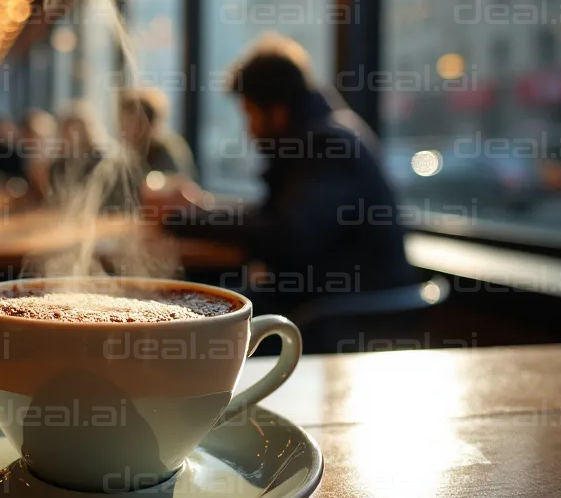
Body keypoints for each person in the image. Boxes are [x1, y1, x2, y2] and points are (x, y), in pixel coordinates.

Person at [143, 33, 418, 311]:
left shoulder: (329, 144)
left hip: (344, 313)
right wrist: (197, 211)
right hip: (334, 299)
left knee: (197, 308)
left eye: (250, 114)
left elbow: (287, 234)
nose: (249, 130)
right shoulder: (326, 134)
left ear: (277, 111)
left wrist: (179, 219)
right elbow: (275, 217)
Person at [119, 87, 197, 181]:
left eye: (133, 124)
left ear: (149, 124)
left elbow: (172, 184)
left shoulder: (163, 152)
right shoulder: (131, 155)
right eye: (124, 123)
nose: (126, 130)